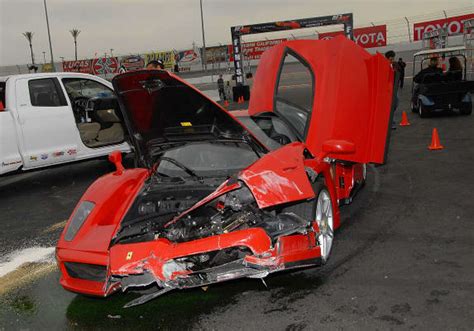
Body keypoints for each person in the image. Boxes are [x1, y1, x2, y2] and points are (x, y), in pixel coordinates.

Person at [384, 50, 399, 129]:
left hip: (394, 87)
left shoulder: (395, 65)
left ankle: (390, 121)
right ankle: (391, 123)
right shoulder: (383, 66)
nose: (392, 60)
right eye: (391, 59)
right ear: (387, 58)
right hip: (387, 88)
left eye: (393, 58)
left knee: (396, 103)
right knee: (389, 106)